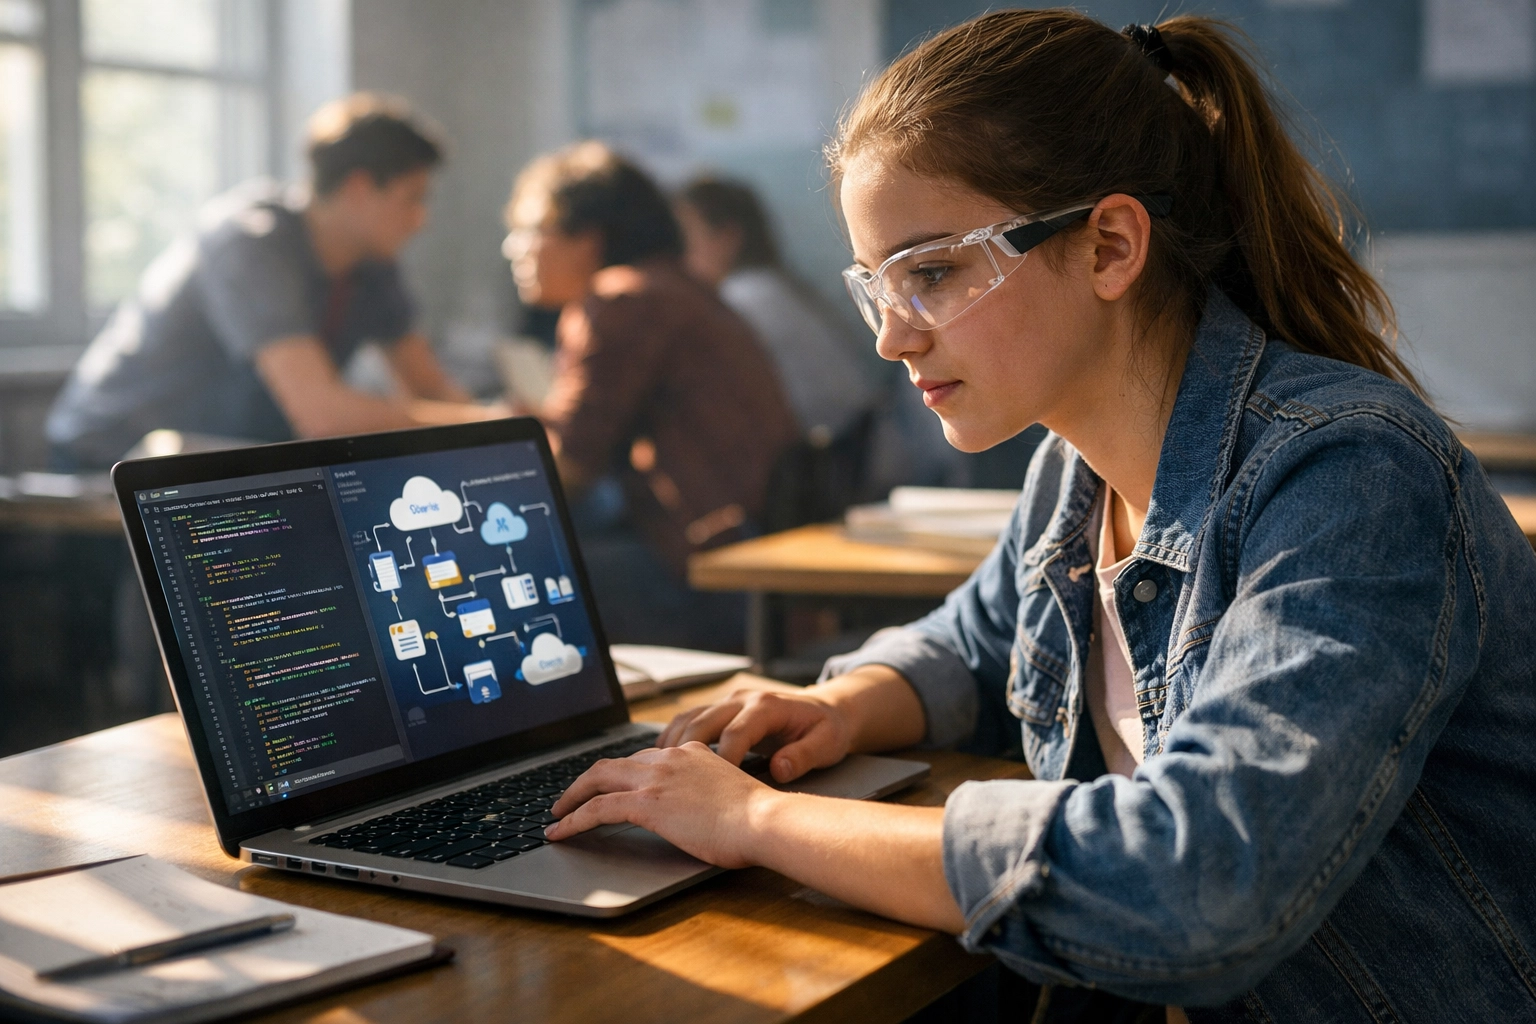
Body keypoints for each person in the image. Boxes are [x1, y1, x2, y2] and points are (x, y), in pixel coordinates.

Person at [542, 11, 1536, 1022]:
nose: (891, 338)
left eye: (930, 273)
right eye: (874, 285)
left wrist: (758, 818)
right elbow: (974, 642)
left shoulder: (1349, 473)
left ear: (1109, 245)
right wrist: (847, 704)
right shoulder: (1075, 471)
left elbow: (1198, 879)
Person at [47, 93, 503, 469]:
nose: (421, 221)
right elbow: (321, 415)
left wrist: (499, 429)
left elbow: (430, 389)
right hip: (111, 456)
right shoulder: (251, 243)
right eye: (412, 199)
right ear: (360, 189)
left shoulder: (373, 264)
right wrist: (483, 427)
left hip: (212, 459)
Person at [503, 142, 797, 650]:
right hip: (753, 555)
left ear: (588, 239)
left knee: (505, 572)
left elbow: (568, 470)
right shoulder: (676, 287)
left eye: (532, 229)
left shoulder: (623, 300)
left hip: (711, 571)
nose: (514, 248)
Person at [675, 177, 874, 444]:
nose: (679, 257)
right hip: (851, 441)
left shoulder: (745, 297)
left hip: (836, 452)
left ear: (727, 237)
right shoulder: (767, 285)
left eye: (686, 239)